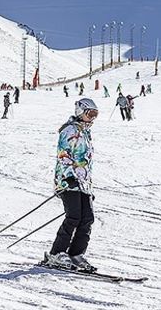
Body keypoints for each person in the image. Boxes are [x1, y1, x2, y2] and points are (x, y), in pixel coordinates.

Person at [43, 98, 98, 272]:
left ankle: (76, 254)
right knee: (73, 217)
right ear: (80, 112)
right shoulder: (69, 130)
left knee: (87, 218)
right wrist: (69, 177)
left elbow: (85, 161)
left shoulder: (86, 132)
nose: (93, 118)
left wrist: (88, 185)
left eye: (95, 115)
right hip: (68, 180)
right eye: (90, 114)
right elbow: (63, 155)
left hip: (83, 183)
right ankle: (56, 253)